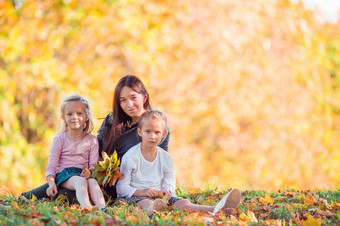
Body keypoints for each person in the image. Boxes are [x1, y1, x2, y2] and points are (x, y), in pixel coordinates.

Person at [21, 75, 169, 202]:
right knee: (70, 182)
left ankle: (30, 197)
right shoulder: (113, 120)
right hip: (96, 176)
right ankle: (25, 197)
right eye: (123, 100)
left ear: (145, 96)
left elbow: (159, 163)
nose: (128, 104)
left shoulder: (155, 127)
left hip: (126, 185)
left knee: (71, 194)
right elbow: (95, 145)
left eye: (133, 98)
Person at [116, 110, 242, 216]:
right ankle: (153, 209)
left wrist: (167, 192)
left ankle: (216, 209)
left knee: (184, 204)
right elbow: (121, 188)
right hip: (136, 196)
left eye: (157, 132)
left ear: (163, 134)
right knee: (145, 202)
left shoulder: (166, 158)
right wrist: (143, 192)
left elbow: (169, 181)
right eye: (148, 131)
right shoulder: (131, 157)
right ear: (139, 132)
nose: (152, 136)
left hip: (160, 197)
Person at [45, 94, 106, 209]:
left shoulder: (92, 140)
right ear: (64, 117)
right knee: (80, 181)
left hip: (82, 173)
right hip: (65, 175)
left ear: (86, 116)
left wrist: (89, 172)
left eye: (79, 113)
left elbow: (93, 166)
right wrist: (51, 184)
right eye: (69, 114)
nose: (75, 117)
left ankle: (102, 207)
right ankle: (86, 207)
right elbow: (51, 167)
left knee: (92, 182)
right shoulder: (59, 140)